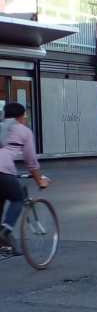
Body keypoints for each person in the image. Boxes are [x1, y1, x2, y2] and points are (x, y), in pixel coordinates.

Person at [0, 102, 49, 254]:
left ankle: (4, 244)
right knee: (18, 198)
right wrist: (39, 180)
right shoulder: (23, 131)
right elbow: (31, 161)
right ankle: (5, 232)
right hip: (3, 170)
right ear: (21, 117)